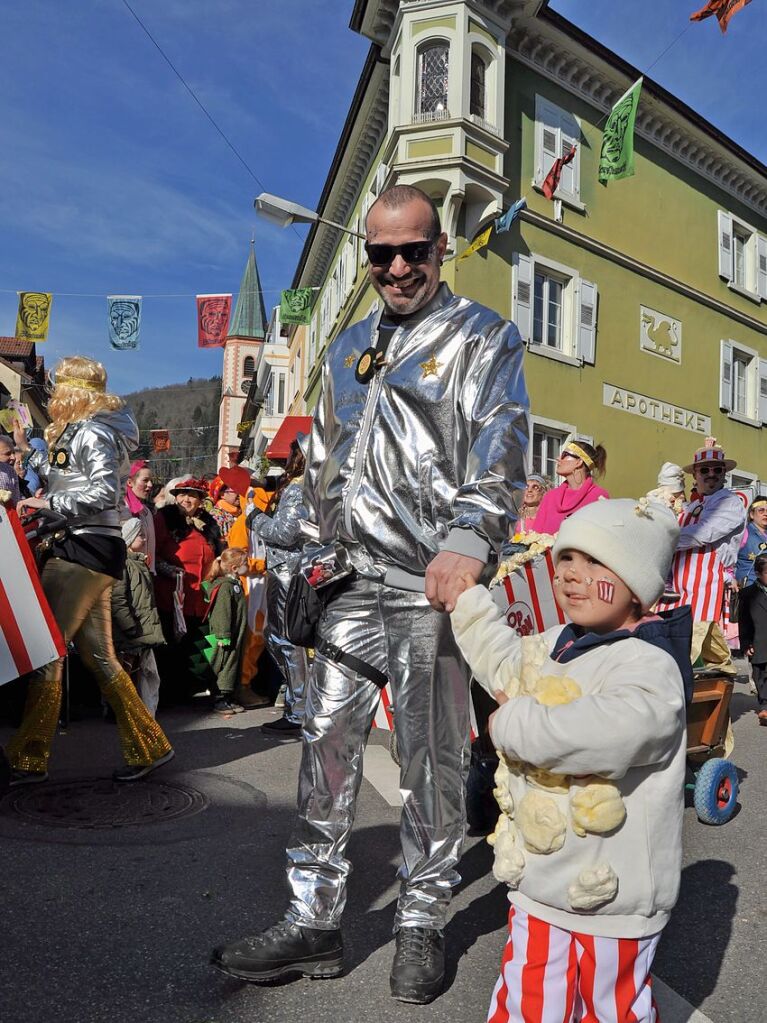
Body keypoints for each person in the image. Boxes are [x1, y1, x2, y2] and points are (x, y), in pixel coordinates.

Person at [211, 184, 529, 1003]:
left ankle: (421, 918)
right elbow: (323, 460)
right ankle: (313, 918)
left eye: (412, 251)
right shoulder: (352, 344)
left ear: (439, 248)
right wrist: (278, 531)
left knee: (431, 759)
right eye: (379, 253)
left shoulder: (481, 335)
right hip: (350, 580)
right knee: (322, 743)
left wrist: (469, 538)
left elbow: (500, 438)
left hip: (430, 583)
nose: (395, 266)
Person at [450, 498, 689, 1023]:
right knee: (527, 1001)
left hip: (612, 900)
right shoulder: (557, 643)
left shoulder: (649, 665)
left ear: (636, 585)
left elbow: (607, 730)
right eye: (565, 560)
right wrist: (468, 604)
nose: (572, 575)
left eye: (596, 563)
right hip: (540, 887)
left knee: (611, 1008)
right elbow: (506, 660)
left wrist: (509, 724)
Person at [8, 356, 173, 784]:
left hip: (80, 549)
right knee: (102, 658)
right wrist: (28, 452)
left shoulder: (93, 431)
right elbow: (72, 479)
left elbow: (101, 492)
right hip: (88, 548)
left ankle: (28, 757)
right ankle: (149, 745)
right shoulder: (81, 431)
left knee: (48, 652)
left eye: (59, 387)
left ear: (73, 392)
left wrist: (46, 503)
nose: (54, 395)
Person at [256, 438, 310, 734]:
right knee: (280, 638)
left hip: (287, 571)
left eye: (292, 452)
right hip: (287, 569)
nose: (287, 457)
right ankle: (299, 704)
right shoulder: (301, 484)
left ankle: (298, 709)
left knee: (284, 640)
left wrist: (254, 517)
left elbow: (285, 533)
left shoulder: (299, 488)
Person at [664, 437, 746, 623]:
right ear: (695, 474)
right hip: (678, 590)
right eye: (704, 469)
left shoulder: (730, 503)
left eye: (717, 469)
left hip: (707, 591)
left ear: (724, 473)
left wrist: (661, 538)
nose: (711, 474)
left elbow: (702, 533)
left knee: (698, 647)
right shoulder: (691, 506)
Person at [154, 477, 220, 700]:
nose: (186, 499)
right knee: (170, 647)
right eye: (181, 494)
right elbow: (151, 552)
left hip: (199, 598)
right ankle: (166, 694)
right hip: (171, 595)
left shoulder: (209, 524)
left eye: (192, 495)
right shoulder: (164, 519)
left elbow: (216, 554)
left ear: (201, 500)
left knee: (195, 646)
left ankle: (188, 690)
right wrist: (168, 570)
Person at [111, 517, 165, 718]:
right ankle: (126, 712)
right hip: (131, 633)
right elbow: (118, 598)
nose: (144, 539)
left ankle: (141, 712)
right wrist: (130, 627)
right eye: (140, 535)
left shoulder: (138, 563)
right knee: (127, 673)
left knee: (145, 673)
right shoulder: (123, 565)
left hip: (140, 632)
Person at [202, 547, 250, 715]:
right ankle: (220, 698)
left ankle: (229, 697)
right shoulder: (225, 587)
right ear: (234, 568)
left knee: (233, 664)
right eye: (245, 564)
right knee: (224, 665)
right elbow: (222, 612)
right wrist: (223, 634)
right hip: (226, 636)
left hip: (235, 634)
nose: (248, 566)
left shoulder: (235, 584)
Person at [530, 440, 608, 534]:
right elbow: (535, 535)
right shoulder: (550, 497)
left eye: (564, 455)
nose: (558, 458)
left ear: (579, 462)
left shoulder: (599, 497)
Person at [737, 552, 767, 726]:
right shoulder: (748, 594)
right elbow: (744, 621)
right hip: (759, 640)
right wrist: (746, 642)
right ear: (757, 573)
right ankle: (764, 705)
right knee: (761, 674)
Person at [125, 459, 156, 573]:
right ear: (129, 482)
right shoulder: (121, 508)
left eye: (151, 480)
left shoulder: (146, 512)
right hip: (126, 572)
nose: (150, 485)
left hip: (145, 571)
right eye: (145, 480)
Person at [735, 496, 767, 588]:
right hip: (750, 590)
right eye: (761, 510)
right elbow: (728, 558)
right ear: (752, 514)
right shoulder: (744, 533)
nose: (765, 514)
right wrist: (730, 577)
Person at [0, 434, 21, 506]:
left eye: (13, 452)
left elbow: (17, 500)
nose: (13, 457)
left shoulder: (10, 470)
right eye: (8, 453)